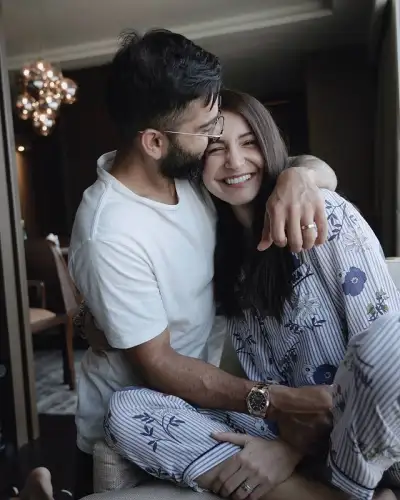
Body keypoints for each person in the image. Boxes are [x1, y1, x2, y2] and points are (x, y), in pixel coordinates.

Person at [68, 30, 336, 497]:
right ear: (154, 141)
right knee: (132, 409)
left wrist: (298, 176)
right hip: (149, 412)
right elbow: (159, 365)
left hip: (210, 391)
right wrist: (276, 401)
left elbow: (304, 169)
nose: (216, 136)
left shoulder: (188, 171)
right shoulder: (109, 231)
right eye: (207, 128)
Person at [103, 90, 400, 500]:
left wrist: (290, 450)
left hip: (368, 432)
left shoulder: (323, 214)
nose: (235, 162)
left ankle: (347, 486)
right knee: (126, 410)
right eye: (216, 148)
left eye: (249, 143)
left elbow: (385, 359)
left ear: (270, 146)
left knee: (389, 341)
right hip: (282, 420)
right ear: (198, 163)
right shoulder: (219, 254)